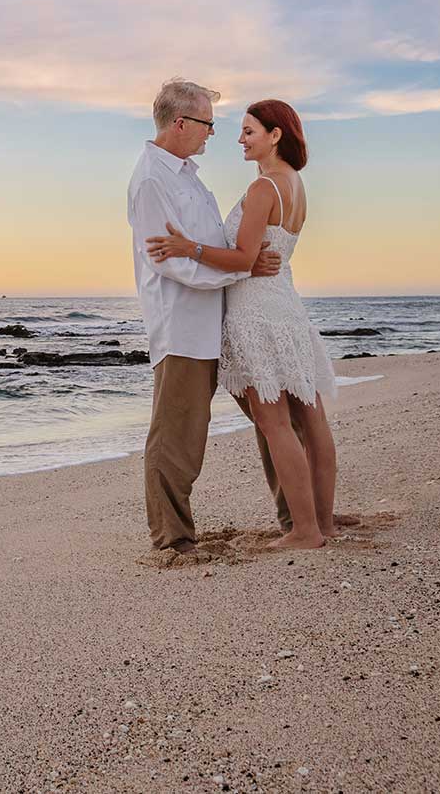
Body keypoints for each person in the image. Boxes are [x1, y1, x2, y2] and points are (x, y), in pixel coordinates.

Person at [147, 99, 340, 550]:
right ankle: (323, 522)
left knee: (273, 423)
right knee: (311, 420)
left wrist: (187, 247)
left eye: (249, 131)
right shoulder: (296, 184)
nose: (239, 139)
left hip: (256, 312)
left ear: (276, 135)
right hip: (286, 308)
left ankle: (305, 531)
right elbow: (262, 256)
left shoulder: (263, 189)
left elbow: (243, 259)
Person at [128, 78, 283, 567]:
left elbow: (207, 244)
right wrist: (240, 268)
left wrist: (241, 266)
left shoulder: (188, 175)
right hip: (184, 327)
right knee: (179, 435)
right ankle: (172, 540)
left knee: (271, 417)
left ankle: (296, 514)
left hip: (225, 318)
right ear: (180, 123)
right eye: (207, 124)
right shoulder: (152, 179)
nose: (214, 133)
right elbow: (169, 262)